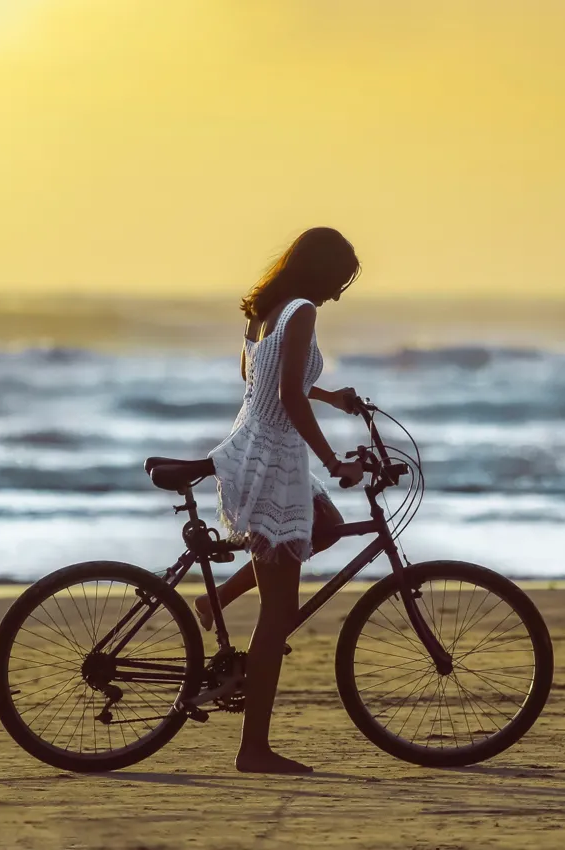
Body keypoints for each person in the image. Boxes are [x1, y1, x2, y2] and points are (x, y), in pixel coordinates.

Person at [206, 226, 365, 774]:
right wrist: (334, 461)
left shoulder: (265, 309)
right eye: (339, 280)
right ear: (320, 272)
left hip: (255, 450)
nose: (340, 293)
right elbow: (285, 396)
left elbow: (260, 378)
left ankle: (215, 600)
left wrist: (331, 395)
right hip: (274, 461)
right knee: (279, 613)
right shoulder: (301, 312)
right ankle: (253, 749)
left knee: (323, 528)